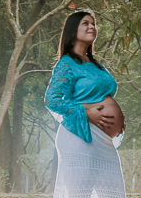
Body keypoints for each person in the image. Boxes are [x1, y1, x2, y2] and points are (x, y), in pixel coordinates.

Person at [45, 11, 127, 198]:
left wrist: (117, 121)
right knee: (79, 194)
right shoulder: (66, 64)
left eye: (93, 23)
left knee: (114, 193)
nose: (92, 27)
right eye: (85, 23)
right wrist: (86, 112)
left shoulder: (98, 65)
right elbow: (52, 100)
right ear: (73, 31)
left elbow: (103, 96)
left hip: (103, 140)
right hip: (79, 136)